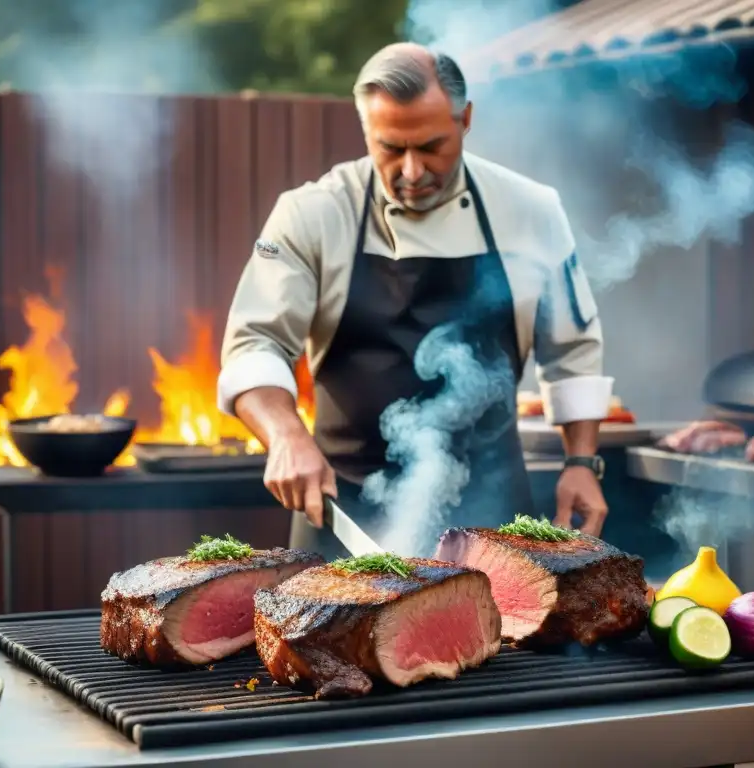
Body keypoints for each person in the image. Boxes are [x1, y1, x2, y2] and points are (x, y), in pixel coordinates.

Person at [217, 43, 614, 559]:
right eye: (390, 148)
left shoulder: (531, 209)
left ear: (465, 120)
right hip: (344, 511)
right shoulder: (310, 214)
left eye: (430, 147)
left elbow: (572, 350)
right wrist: (286, 434)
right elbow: (254, 342)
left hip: (494, 521)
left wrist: (581, 464)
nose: (410, 170)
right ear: (365, 130)